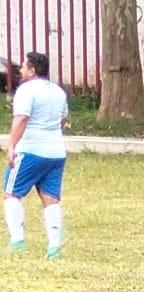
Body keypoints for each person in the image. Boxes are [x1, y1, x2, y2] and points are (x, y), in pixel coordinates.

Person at [4, 52, 69, 259]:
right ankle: (54, 247)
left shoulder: (26, 90)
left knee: (11, 193)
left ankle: (17, 240)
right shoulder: (58, 91)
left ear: (32, 71)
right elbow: (62, 120)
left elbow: (22, 119)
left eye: (24, 66)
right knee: (51, 199)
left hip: (30, 150)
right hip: (56, 153)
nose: (20, 70)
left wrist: (12, 146)